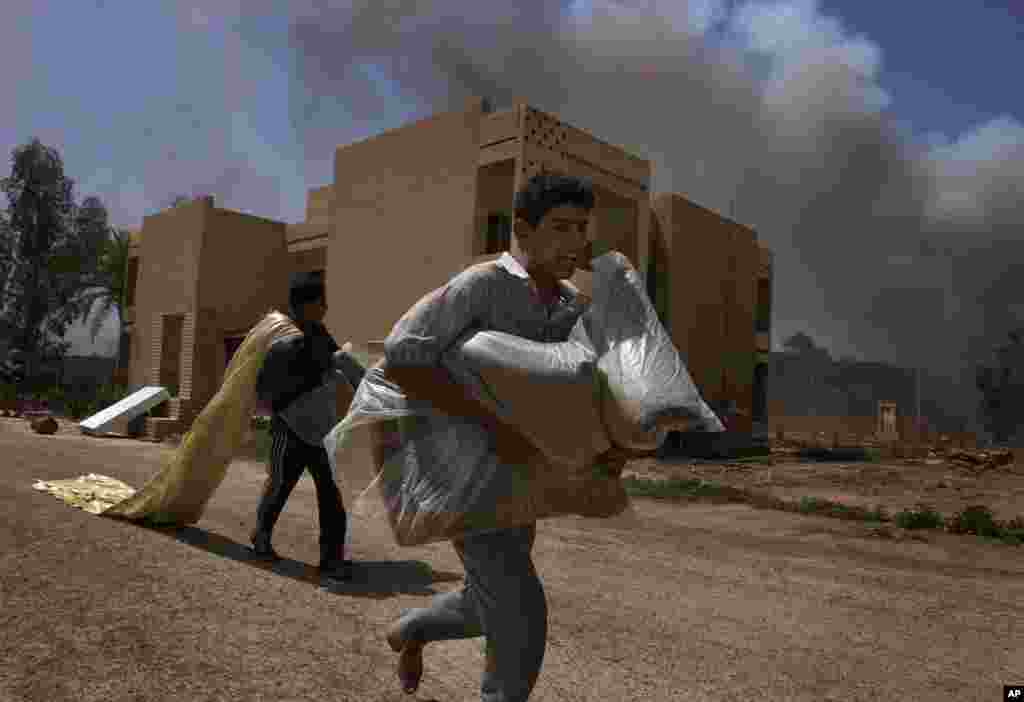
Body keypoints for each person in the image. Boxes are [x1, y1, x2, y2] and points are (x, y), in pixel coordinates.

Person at [379, 173, 667, 700]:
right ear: (522, 230)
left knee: (485, 599)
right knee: (522, 613)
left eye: (582, 230)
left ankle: (412, 629)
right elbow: (403, 354)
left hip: (520, 475)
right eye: (560, 227)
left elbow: (593, 383)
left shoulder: (571, 305)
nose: (574, 242)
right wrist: (492, 425)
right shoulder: (481, 284)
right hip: (465, 471)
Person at [250, 271, 358, 580]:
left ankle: (331, 558)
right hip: (290, 429)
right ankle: (261, 536)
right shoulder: (285, 340)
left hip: (319, 432)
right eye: (321, 302)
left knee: (331, 494)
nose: (325, 308)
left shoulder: (320, 334)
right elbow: (265, 385)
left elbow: (337, 362)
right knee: (279, 486)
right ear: (305, 305)